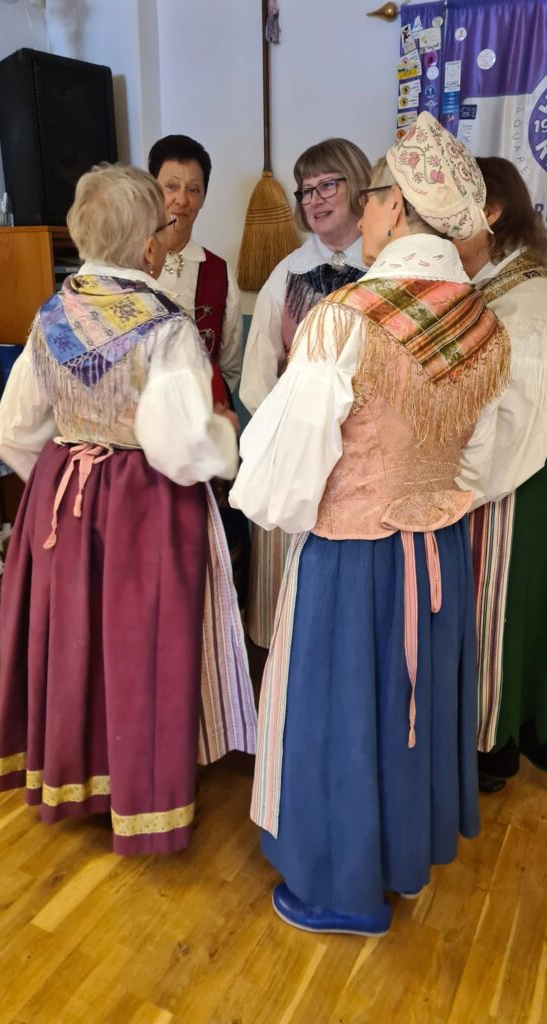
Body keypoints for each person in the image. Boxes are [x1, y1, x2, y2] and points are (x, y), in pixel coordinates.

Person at [230, 112, 510, 936]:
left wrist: (280, 507)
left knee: (341, 715)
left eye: (373, 194)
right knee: (409, 712)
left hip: (352, 556)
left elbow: (282, 472)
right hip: (437, 552)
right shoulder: (481, 321)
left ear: (393, 206)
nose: (365, 209)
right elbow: (485, 456)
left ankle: (339, 889)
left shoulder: (346, 317)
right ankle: (400, 858)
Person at [0, 164, 256, 856]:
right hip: (145, 504)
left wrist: (60, 479)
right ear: (149, 247)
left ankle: (76, 777)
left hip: (62, 501)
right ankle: (142, 788)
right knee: (142, 644)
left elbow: (11, 432)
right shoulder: (165, 327)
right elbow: (182, 447)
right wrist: (226, 446)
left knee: (77, 639)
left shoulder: (50, 316)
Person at [239, 138, 372, 648]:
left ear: (357, 185)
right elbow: (258, 373)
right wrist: (288, 438)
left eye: (326, 185)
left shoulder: (385, 269)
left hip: (364, 454)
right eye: (306, 190)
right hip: (298, 451)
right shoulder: (287, 273)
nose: (314, 199)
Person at [455, 157, 547, 792]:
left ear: (491, 212)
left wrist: (456, 484)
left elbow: (515, 421)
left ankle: (494, 742)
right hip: (493, 474)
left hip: (512, 483)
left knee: (500, 610)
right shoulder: (495, 288)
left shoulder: (526, 302)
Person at [148, 133, 249, 607]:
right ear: (152, 188)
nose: (181, 200)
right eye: (170, 186)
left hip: (203, 431)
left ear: (204, 197)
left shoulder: (217, 270)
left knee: (204, 557)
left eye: (193, 189)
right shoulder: (130, 265)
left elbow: (229, 360)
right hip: (143, 438)